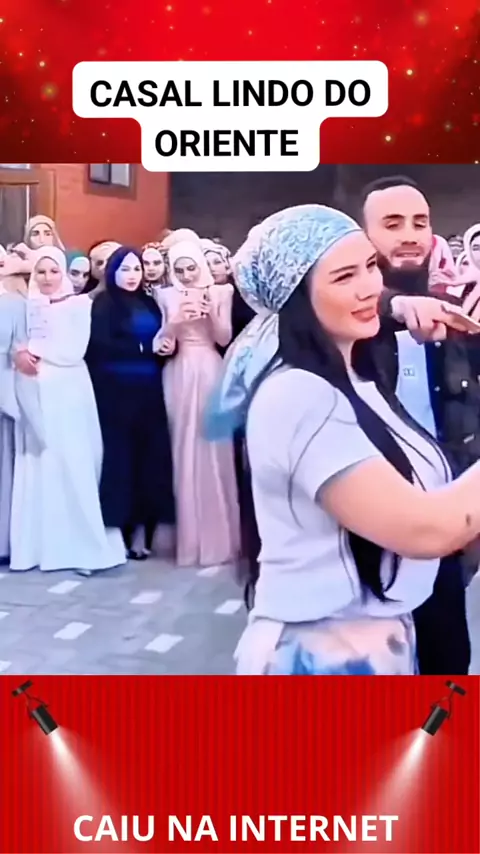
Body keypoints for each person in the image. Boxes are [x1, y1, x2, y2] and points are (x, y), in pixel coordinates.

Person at [206, 204, 480, 676]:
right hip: (319, 656)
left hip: (375, 643)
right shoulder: (298, 396)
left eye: (370, 266)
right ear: (297, 297)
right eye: (344, 276)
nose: (370, 287)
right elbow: (425, 529)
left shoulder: (358, 379)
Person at [361, 176, 480, 674]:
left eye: (419, 223)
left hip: (444, 524)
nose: (410, 235)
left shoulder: (458, 310)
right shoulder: (345, 320)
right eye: (392, 224)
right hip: (367, 528)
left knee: (446, 663)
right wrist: (394, 305)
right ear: (364, 236)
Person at [8, 246, 126, 573]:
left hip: (68, 392)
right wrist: (19, 354)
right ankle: (37, 548)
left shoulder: (78, 305)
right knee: (39, 463)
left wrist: (30, 350)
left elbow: (72, 350)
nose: (47, 278)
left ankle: (81, 544)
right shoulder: (28, 307)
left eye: (53, 271)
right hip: (34, 391)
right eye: (41, 271)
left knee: (72, 462)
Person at [153, 239, 240, 567]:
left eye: (191, 268)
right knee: (181, 448)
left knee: (214, 448)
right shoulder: (165, 295)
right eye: (180, 270)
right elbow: (163, 341)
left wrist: (211, 311)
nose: (187, 275)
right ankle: (186, 539)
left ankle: (220, 538)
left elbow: (224, 338)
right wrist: (175, 321)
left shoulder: (221, 292)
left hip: (210, 370)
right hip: (179, 372)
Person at [85, 246, 175, 560]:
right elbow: (99, 346)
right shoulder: (103, 304)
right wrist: (143, 348)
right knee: (120, 461)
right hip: (115, 392)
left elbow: (161, 340)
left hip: (149, 390)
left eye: (137, 269)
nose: (132, 275)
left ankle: (141, 530)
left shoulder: (149, 303)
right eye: (125, 269)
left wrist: (167, 347)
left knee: (149, 460)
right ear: (112, 272)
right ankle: (117, 532)